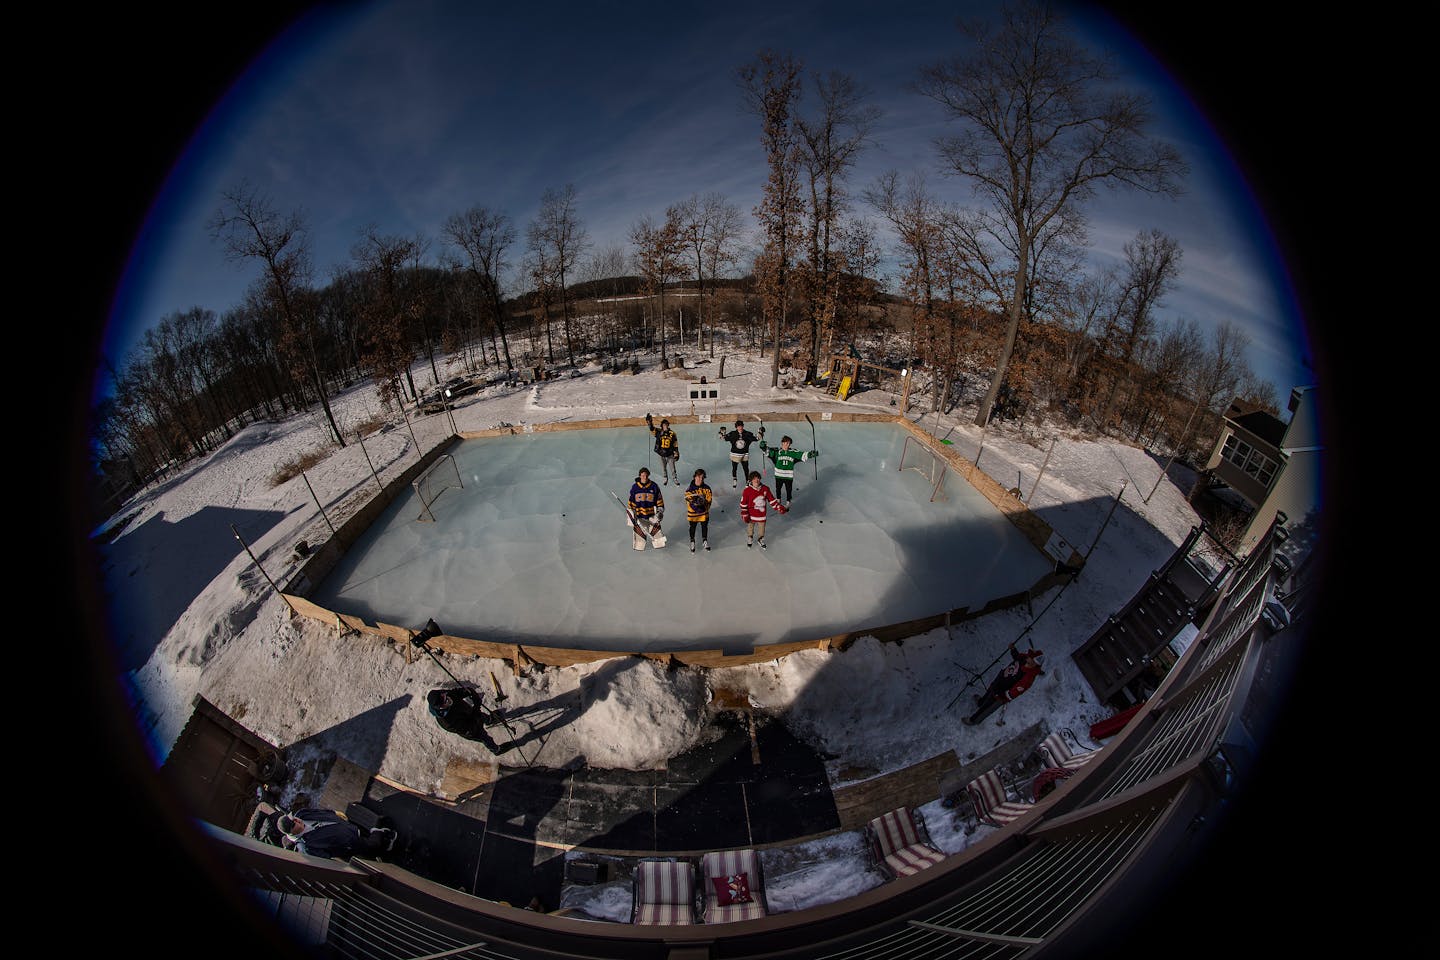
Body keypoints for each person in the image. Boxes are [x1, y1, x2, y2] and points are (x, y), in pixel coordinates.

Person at [963, 644, 1044, 725]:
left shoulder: (1028, 677)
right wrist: (1013, 650)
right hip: (1000, 681)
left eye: (1030, 657)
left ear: (1034, 663)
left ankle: (973, 720)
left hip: (1001, 694)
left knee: (987, 707)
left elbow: (1015, 691)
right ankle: (981, 702)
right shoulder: (1024, 658)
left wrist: (1002, 695)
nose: (1028, 656)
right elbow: (1017, 657)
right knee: (989, 692)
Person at [276, 807, 396, 860]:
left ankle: (380, 837)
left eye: (293, 819)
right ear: (291, 833)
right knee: (372, 845)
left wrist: (334, 813)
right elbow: (327, 858)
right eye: (293, 824)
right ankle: (382, 837)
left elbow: (320, 812)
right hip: (349, 843)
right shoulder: (306, 847)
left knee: (361, 831)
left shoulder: (302, 814)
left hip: (347, 827)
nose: (297, 820)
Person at [758, 435, 818, 506]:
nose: (787, 445)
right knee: (778, 489)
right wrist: (763, 446)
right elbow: (768, 451)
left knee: (788, 490)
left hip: (788, 476)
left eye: (789, 444)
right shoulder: (777, 452)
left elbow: (802, 454)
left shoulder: (793, 452)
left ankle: (788, 501)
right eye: (786, 443)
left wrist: (810, 454)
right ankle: (778, 499)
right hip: (779, 475)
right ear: (782, 443)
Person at [739, 470, 785, 549]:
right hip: (751, 514)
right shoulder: (747, 491)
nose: (756, 480)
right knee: (750, 527)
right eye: (754, 479)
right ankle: (750, 538)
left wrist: (778, 507)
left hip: (761, 515)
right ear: (751, 480)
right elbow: (743, 503)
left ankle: (760, 539)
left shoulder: (765, 489)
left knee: (762, 529)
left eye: (758, 478)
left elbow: (772, 500)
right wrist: (744, 514)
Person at [718, 419, 762, 487]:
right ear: (736, 427)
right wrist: (721, 433)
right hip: (735, 454)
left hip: (744, 455)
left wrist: (760, 432)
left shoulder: (747, 434)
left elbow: (757, 438)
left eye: (741, 426)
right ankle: (734, 479)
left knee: (746, 469)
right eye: (738, 426)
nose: (740, 428)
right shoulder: (733, 433)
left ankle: (747, 481)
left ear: (743, 426)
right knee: (734, 468)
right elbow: (724, 438)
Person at [683, 468, 713, 553]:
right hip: (693, 514)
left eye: (702, 477)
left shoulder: (707, 488)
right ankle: (692, 541)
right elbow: (691, 503)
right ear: (694, 477)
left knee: (704, 527)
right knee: (692, 528)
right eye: (698, 477)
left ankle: (705, 541)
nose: (700, 479)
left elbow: (709, 500)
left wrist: (704, 507)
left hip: (704, 513)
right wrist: (699, 507)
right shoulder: (689, 490)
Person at [645, 413, 680, 485]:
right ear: (661, 426)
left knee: (672, 468)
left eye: (666, 425)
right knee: (663, 468)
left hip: (670, 454)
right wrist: (649, 422)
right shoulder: (659, 432)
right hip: (661, 454)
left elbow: (675, 444)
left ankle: (675, 478)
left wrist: (676, 453)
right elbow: (652, 429)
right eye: (664, 425)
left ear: (668, 425)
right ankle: (665, 478)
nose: (665, 426)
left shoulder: (672, 433)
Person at [628, 467, 664, 536]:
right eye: (643, 475)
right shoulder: (635, 487)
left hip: (652, 516)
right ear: (640, 476)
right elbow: (631, 501)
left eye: (646, 475)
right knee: (639, 542)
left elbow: (659, 500)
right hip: (639, 517)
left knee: (659, 539)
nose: (645, 477)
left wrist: (660, 512)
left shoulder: (654, 486)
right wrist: (631, 514)